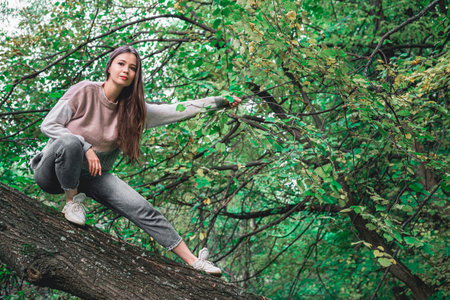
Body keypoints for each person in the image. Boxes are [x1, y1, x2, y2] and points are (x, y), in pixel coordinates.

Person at [30, 45, 241, 276]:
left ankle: (194, 261)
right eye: (121, 64)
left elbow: (180, 110)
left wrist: (220, 101)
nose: (126, 71)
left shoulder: (134, 111)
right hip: (52, 172)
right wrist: (86, 146)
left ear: (135, 76)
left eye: (132, 68)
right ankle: (72, 203)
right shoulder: (85, 91)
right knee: (71, 143)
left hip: (91, 176)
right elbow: (48, 125)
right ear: (109, 66)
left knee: (142, 207)